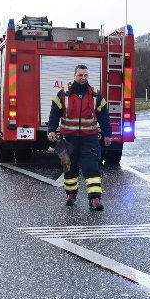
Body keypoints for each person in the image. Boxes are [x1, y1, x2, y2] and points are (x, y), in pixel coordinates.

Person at [47, 65, 112, 211]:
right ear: (74, 75)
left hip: (89, 138)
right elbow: (54, 113)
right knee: (69, 168)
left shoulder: (96, 95)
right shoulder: (64, 94)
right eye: (80, 75)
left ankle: (95, 199)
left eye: (85, 75)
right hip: (68, 138)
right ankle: (70, 195)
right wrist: (51, 129)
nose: (83, 78)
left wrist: (108, 133)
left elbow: (104, 116)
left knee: (92, 168)